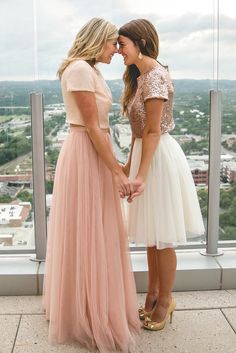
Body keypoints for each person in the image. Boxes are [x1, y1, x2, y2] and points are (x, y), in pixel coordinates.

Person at [43, 18, 140, 352]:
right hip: (87, 151)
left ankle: (85, 303)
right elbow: (92, 126)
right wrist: (115, 170)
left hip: (91, 148)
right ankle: (87, 311)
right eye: (113, 42)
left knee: (91, 227)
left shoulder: (89, 70)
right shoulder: (80, 71)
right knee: (89, 227)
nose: (116, 49)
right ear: (99, 40)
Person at [118, 19, 205, 331]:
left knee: (163, 238)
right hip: (145, 154)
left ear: (140, 43)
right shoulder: (138, 77)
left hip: (159, 159)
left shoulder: (155, 78)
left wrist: (140, 175)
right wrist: (128, 168)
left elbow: (154, 131)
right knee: (151, 237)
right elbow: (137, 134)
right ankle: (152, 293)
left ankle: (166, 299)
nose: (118, 51)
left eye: (122, 44)